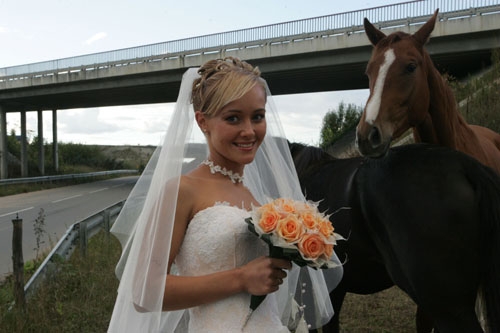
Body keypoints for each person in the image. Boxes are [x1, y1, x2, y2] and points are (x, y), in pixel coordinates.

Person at [108, 57, 343, 332]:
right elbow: (143, 292)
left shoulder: (259, 200)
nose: (249, 131)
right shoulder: (182, 190)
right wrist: (241, 279)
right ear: (203, 121)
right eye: (233, 118)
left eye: (257, 116)